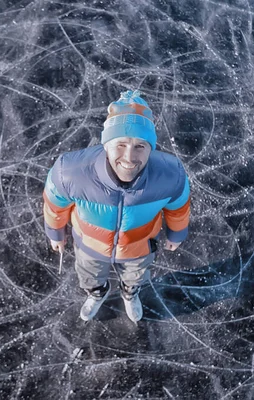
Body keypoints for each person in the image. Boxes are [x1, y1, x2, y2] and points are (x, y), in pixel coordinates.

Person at [42, 90, 191, 322]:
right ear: (106, 145)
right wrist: (55, 232)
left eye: (140, 146)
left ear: (151, 148)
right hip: (89, 244)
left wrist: (176, 233)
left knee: (135, 277)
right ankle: (97, 292)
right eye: (121, 144)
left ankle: (130, 293)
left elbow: (178, 208)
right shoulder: (70, 172)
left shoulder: (171, 176)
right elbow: (54, 204)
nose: (129, 157)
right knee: (89, 274)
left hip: (139, 247)